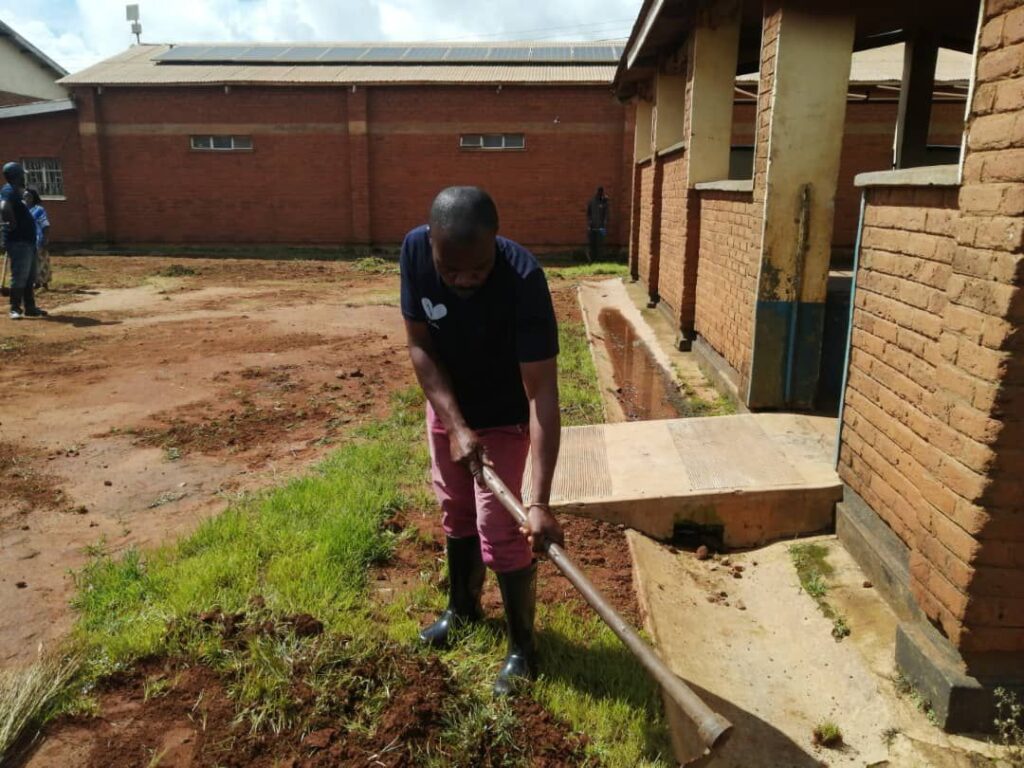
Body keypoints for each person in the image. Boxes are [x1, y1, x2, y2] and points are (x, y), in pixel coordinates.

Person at [400, 186, 564, 695]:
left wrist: (539, 503)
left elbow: (541, 393)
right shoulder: (414, 251)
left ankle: (522, 649)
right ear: (432, 242)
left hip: (504, 416)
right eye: (451, 271)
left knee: (502, 530)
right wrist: (455, 426)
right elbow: (419, 344)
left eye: (478, 268)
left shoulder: (524, 280)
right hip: (449, 404)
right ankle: (463, 609)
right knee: (455, 509)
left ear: (496, 241)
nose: (465, 280)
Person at [1, 162, 45, 319]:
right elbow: (4, 207)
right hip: (19, 241)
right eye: (22, 175)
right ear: (16, 176)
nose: (23, 177)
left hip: (28, 241)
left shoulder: (17, 192)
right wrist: (12, 223)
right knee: (20, 275)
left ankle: (30, 307)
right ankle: (15, 308)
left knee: (29, 276)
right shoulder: (8, 190)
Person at [24, 188, 50, 290]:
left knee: (42, 261)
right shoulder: (22, 210)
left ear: (33, 198)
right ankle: (35, 282)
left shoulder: (39, 210)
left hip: (38, 238)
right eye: (25, 196)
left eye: (28, 196)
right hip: (25, 240)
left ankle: (44, 282)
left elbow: (45, 224)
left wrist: (46, 237)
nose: (26, 198)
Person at [586, 186, 609, 264]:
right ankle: (592, 259)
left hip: (601, 228)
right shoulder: (592, 202)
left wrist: (604, 225)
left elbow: (606, 214)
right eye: (598, 192)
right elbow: (588, 214)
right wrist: (590, 223)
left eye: (601, 193)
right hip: (592, 227)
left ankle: (600, 259)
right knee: (592, 244)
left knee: (600, 243)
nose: (599, 194)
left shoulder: (604, 202)